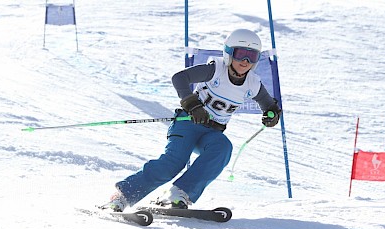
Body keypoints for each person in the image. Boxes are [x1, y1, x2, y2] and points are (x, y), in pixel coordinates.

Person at [103, 29, 281, 212]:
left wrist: (272, 114)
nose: (245, 61)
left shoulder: (253, 83)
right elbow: (180, 78)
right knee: (172, 163)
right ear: (228, 54)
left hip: (212, 132)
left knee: (223, 148)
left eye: (252, 56)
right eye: (241, 54)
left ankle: (178, 194)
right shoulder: (215, 70)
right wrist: (193, 105)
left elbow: (269, 104)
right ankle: (121, 197)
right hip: (188, 123)